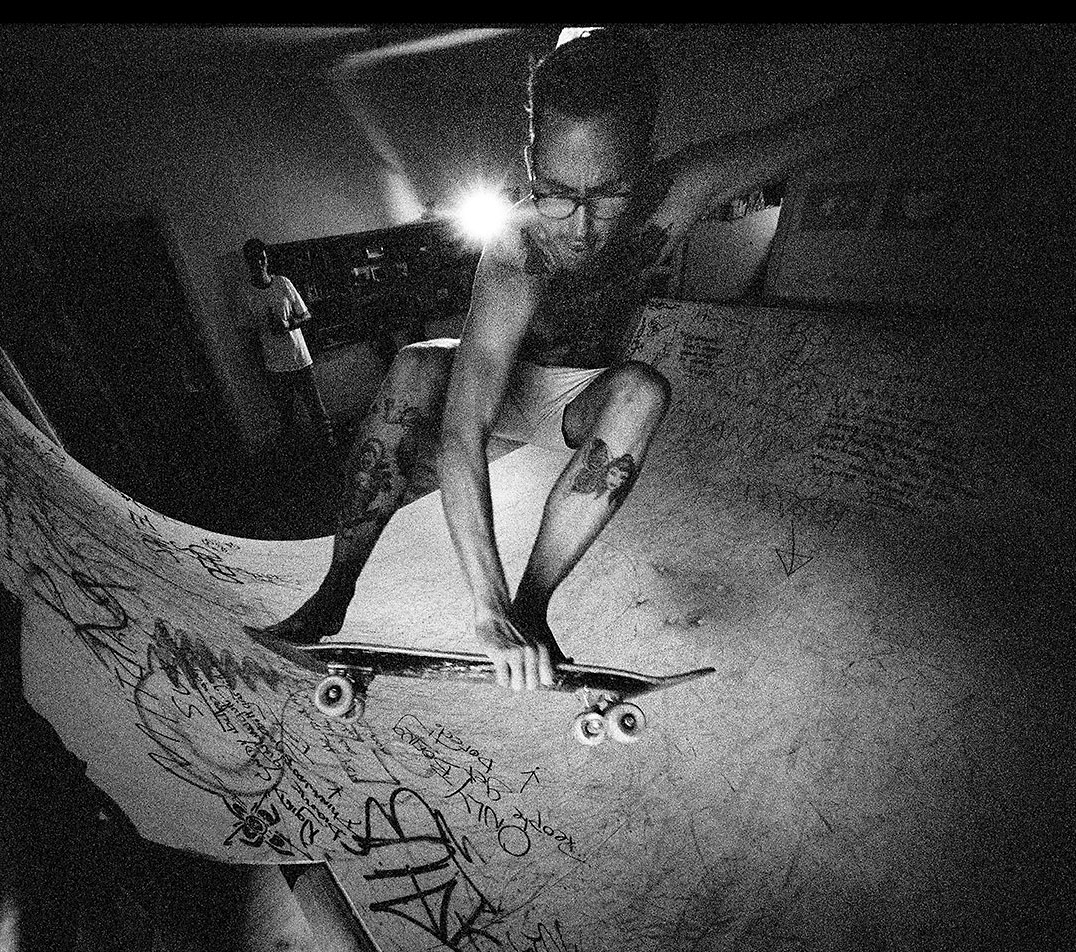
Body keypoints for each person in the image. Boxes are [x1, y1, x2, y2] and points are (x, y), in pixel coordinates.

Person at [268, 27, 903, 691]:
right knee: (417, 366)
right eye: (555, 193)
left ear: (647, 164)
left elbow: (825, 126)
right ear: (531, 158)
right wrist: (484, 607)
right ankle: (333, 592)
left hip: (581, 402)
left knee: (643, 391)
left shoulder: (680, 191)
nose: (578, 226)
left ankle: (534, 609)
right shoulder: (517, 251)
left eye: (608, 196)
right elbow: (462, 431)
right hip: (504, 388)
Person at [240, 238, 336, 450]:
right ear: (248, 263)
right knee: (287, 417)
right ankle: (297, 458)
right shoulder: (246, 293)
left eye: (262, 258)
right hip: (275, 366)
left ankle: (330, 451)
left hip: (300, 358)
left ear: (266, 258)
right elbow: (248, 331)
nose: (260, 264)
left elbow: (306, 315)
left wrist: (290, 324)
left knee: (317, 410)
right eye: (254, 260)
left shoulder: (283, 283)